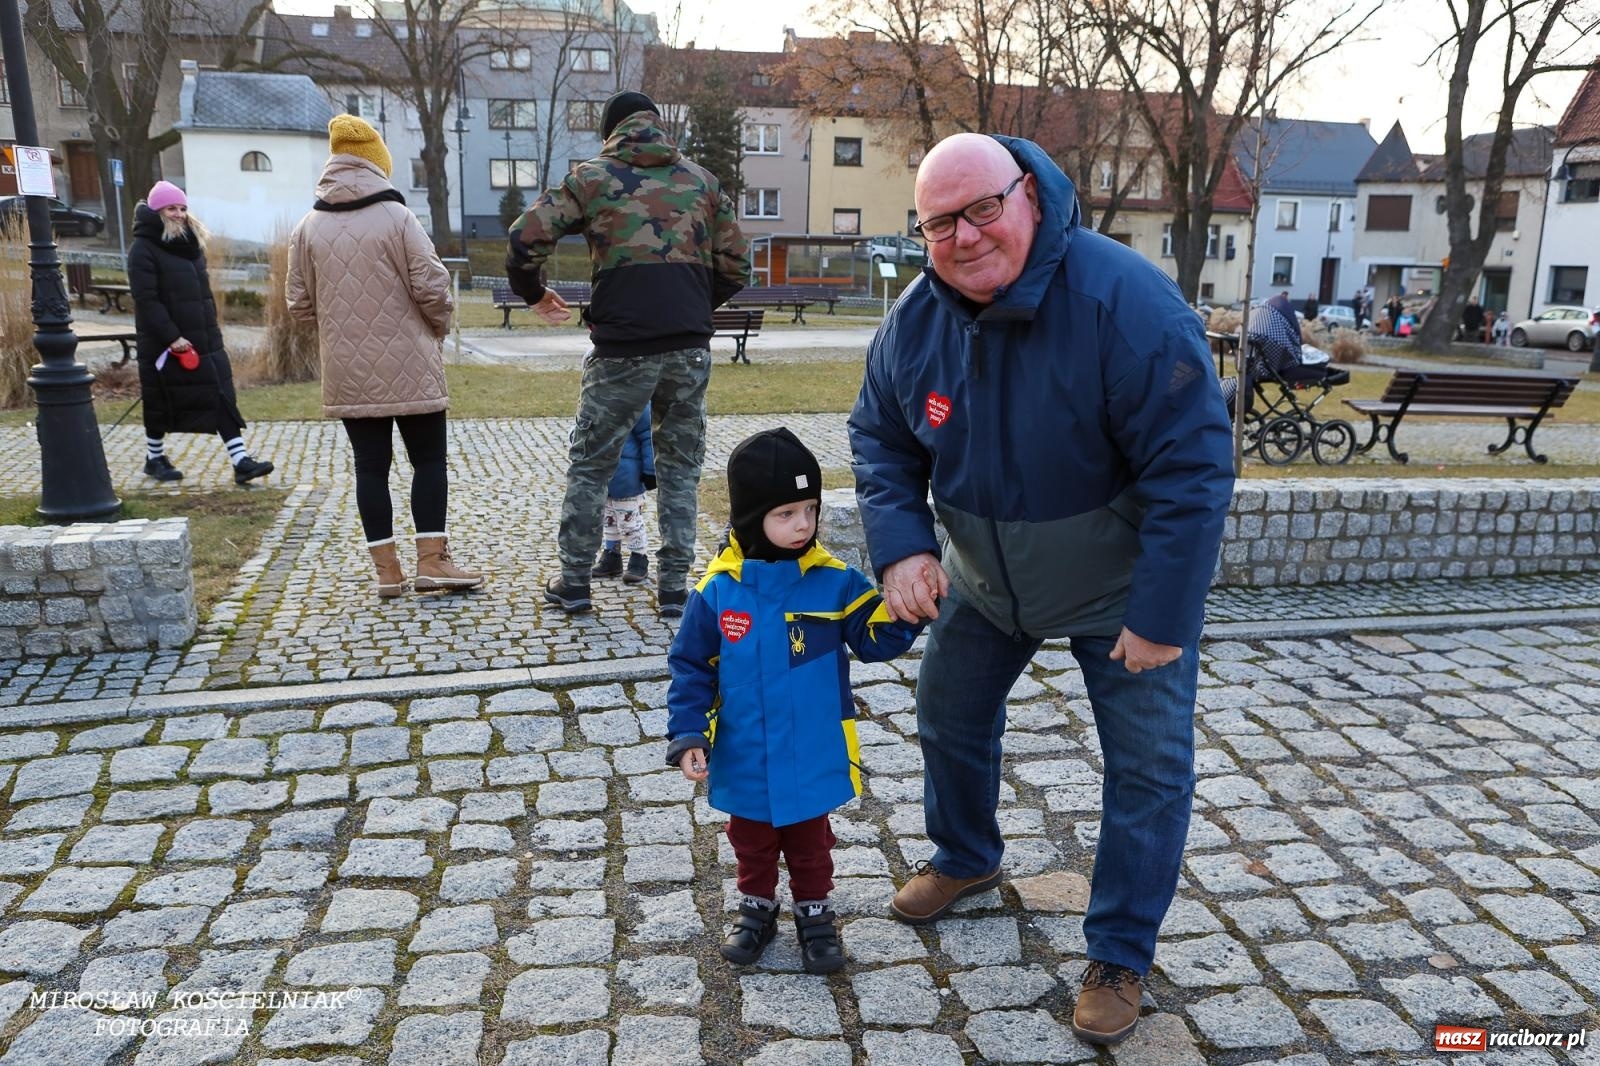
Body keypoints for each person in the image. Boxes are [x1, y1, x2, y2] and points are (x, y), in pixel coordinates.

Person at [848, 133, 1234, 1046]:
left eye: (983, 208)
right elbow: (880, 437)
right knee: (946, 712)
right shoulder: (915, 320)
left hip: (1119, 588)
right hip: (986, 578)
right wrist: (904, 549)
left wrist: (1162, 616)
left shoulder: (1126, 302)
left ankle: (1120, 952)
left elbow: (1195, 467)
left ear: (1029, 194)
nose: (966, 236)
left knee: (1146, 770)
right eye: (940, 222)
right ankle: (968, 856)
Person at [664, 428, 921, 974]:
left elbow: (875, 640)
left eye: (810, 508)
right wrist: (688, 733)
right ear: (751, 517)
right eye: (786, 513)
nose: (803, 524)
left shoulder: (835, 583)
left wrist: (907, 610)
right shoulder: (718, 591)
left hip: (811, 748)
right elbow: (691, 667)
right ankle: (757, 908)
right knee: (751, 840)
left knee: (810, 842)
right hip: (745, 751)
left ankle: (815, 912)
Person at [506, 89, 751, 617]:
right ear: (658, 124)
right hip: (688, 349)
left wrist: (531, 292)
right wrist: (689, 307)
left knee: (591, 465)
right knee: (681, 469)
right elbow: (738, 266)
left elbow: (526, 236)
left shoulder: (593, 177)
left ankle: (574, 582)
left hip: (621, 352)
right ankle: (672, 589)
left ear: (610, 131)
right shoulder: (702, 182)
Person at [286, 114, 483, 597]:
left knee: (369, 468)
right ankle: (432, 562)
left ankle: (387, 573)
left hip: (348, 367)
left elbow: (298, 302)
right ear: (377, 164)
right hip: (411, 361)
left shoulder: (307, 227)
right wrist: (436, 329)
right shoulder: (398, 217)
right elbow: (434, 286)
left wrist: (339, 333)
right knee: (429, 462)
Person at [127, 181, 272, 486]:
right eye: (171, 208)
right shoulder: (143, 249)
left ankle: (241, 462)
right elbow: (147, 300)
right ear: (157, 211)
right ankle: (154, 458)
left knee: (220, 395)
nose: (178, 214)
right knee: (160, 400)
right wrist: (172, 337)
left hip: (205, 339)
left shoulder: (191, 246)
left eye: (182, 208)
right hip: (166, 344)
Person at [592, 403, 656, 585]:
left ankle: (639, 557)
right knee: (608, 518)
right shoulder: (597, 396)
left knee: (629, 521)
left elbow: (648, 436)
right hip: (603, 473)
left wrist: (651, 470)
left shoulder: (638, 400)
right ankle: (612, 555)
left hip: (628, 475)